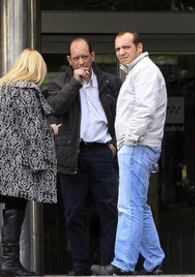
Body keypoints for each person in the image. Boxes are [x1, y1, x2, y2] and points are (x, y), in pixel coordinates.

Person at [91, 32, 167, 275]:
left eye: (126, 47)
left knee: (128, 208)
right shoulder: (138, 71)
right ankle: (154, 261)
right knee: (139, 207)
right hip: (138, 146)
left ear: (139, 47)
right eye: (117, 49)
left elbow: (146, 109)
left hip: (137, 146)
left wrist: (129, 140)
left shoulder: (145, 71)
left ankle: (122, 265)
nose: (121, 52)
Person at [47, 37, 122, 276]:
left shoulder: (110, 82)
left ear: (93, 56)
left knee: (109, 211)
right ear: (69, 61)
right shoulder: (59, 84)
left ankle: (111, 264)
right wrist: (75, 84)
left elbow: (124, 115)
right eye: (75, 58)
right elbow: (55, 108)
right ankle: (80, 265)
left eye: (84, 56)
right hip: (72, 154)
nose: (81, 62)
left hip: (102, 151)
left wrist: (115, 142)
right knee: (73, 214)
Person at [0, 49, 57, 276]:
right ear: (36, 69)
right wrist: (50, 131)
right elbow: (32, 131)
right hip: (17, 165)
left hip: (3, 161)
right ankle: (9, 263)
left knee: (9, 208)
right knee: (15, 207)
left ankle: (9, 262)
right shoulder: (26, 92)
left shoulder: (3, 89)